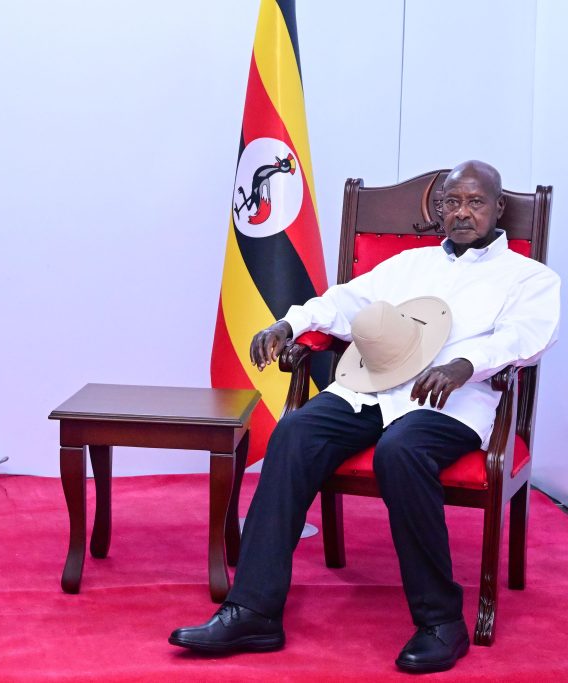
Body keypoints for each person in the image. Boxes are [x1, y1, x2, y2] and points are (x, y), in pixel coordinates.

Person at [168, 160, 560, 673]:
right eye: (452, 203)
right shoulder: (410, 265)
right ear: (439, 210)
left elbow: (526, 338)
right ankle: (254, 610)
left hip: (452, 400)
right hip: (373, 386)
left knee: (402, 451)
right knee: (295, 431)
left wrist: (465, 365)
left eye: (475, 202)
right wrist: (290, 323)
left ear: (498, 207)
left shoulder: (529, 277)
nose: (462, 212)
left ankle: (442, 622)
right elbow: (346, 302)